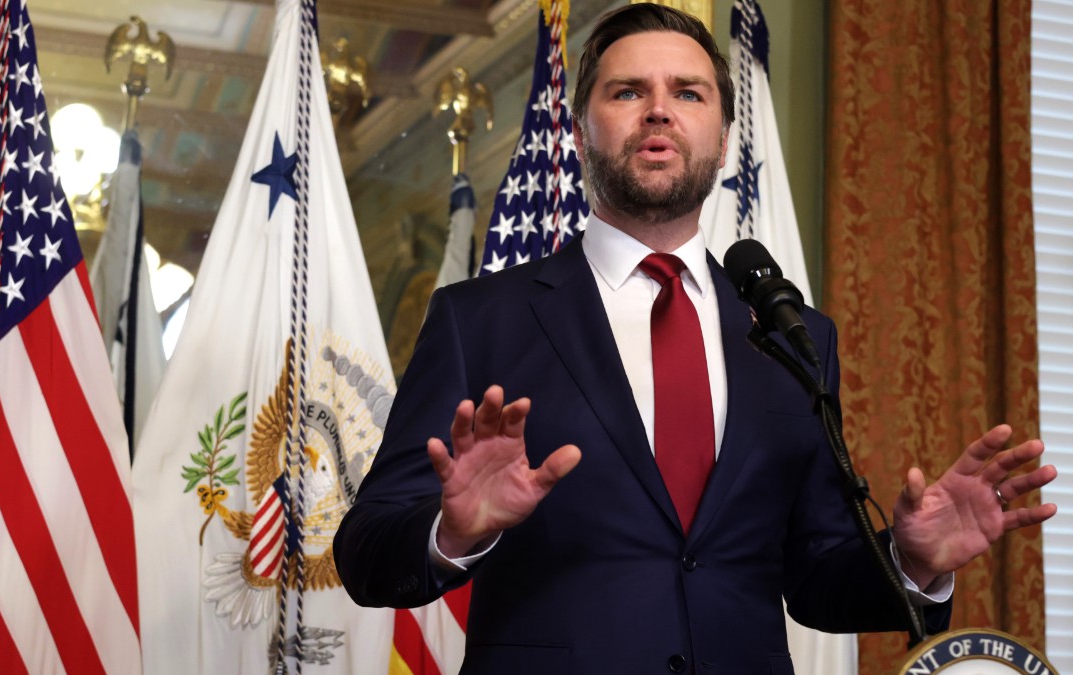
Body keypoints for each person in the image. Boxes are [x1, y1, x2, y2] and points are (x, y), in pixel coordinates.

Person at [333, 4, 1057, 673]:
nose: (658, 110)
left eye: (688, 93)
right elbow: (366, 554)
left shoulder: (790, 334)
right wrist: (453, 534)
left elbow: (814, 581)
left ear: (723, 136)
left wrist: (910, 560)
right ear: (581, 129)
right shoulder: (478, 318)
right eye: (626, 92)